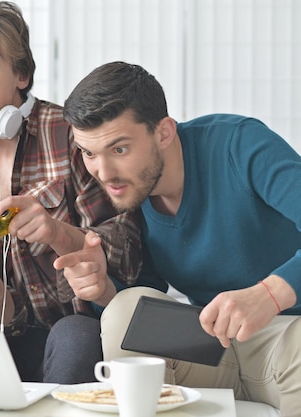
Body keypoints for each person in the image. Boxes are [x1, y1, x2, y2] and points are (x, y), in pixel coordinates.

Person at [0, 1, 141, 384]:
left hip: (84, 331)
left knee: (75, 335)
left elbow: (129, 254)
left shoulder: (70, 135)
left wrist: (55, 232)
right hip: (8, 342)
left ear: (21, 74)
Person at [60, 60, 301, 415]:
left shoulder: (239, 144)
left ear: (163, 133)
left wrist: (269, 294)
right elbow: (148, 302)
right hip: (212, 346)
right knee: (129, 310)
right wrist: (103, 290)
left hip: (285, 338)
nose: (104, 172)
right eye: (89, 153)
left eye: (120, 149)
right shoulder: (127, 191)